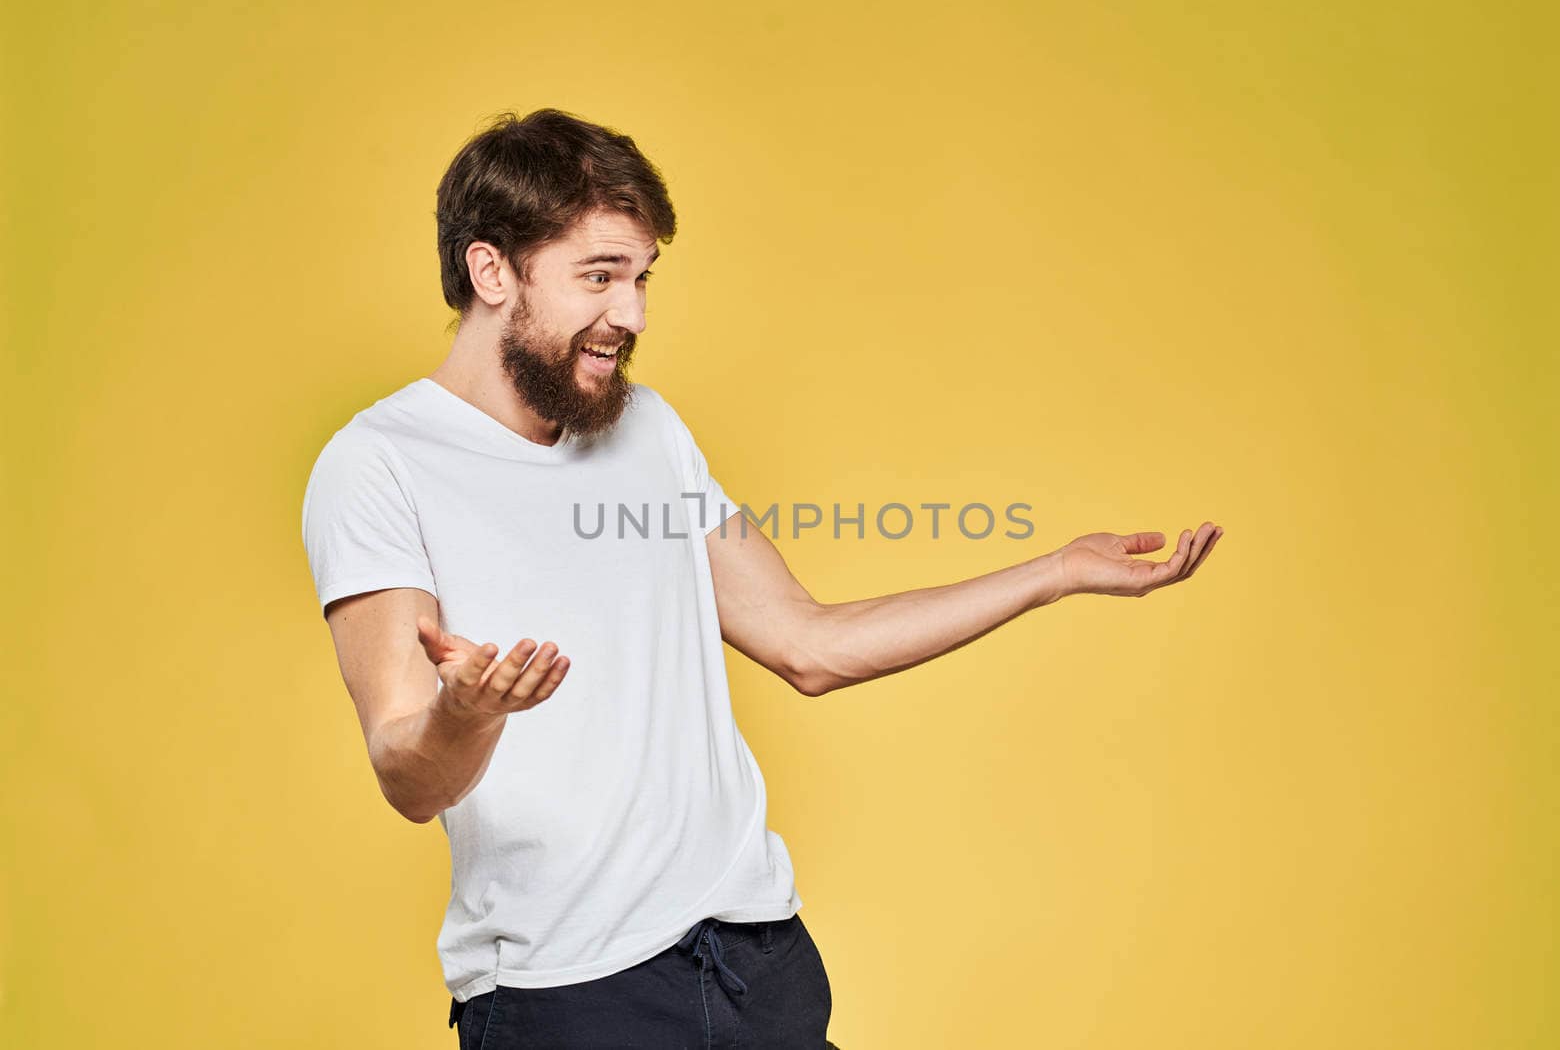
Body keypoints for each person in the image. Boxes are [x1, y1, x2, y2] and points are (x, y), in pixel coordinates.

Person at [300, 108, 1223, 1050]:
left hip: (754, 960)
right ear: (491, 269)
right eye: (600, 275)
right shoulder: (378, 464)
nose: (633, 314)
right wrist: (468, 712)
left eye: (642, 277)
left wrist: (1054, 572)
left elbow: (809, 642)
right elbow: (408, 775)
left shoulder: (646, 430)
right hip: (569, 994)